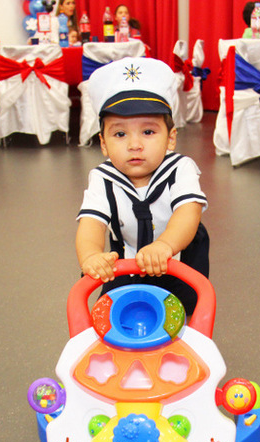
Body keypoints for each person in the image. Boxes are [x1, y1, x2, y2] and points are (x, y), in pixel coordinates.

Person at [76, 57, 209, 314]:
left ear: (170, 139)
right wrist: (91, 256)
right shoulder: (102, 178)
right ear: (103, 143)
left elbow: (188, 212)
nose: (134, 145)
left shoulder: (181, 168)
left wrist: (164, 245)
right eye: (120, 134)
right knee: (112, 310)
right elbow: (91, 224)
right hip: (126, 259)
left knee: (186, 309)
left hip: (179, 257)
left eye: (148, 132)